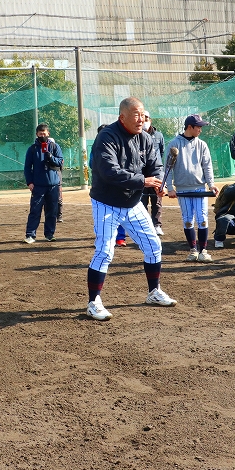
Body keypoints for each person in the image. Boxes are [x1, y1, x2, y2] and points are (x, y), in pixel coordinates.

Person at [86, 97, 175, 321]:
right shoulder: (106, 137)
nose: (141, 119)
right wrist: (143, 182)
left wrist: (158, 184)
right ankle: (93, 302)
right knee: (105, 251)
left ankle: (154, 292)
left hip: (132, 203)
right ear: (122, 117)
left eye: (143, 114)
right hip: (106, 203)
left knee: (154, 246)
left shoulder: (146, 138)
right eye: (135, 114)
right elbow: (109, 171)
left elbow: (155, 166)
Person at [165, 114, 219, 261]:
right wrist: (169, 187)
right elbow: (168, 168)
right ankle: (193, 250)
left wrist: (211, 184)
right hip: (182, 189)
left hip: (200, 188)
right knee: (188, 220)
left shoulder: (202, 145)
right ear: (190, 127)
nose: (200, 130)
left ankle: (204, 251)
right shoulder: (174, 144)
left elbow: (207, 166)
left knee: (202, 219)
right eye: (198, 127)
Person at [23, 124, 64, 243]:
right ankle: (30, 235)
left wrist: (51, 157)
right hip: (38, 186)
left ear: (48, 134)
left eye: (44, 134)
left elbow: (60, 161)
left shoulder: (55, 147)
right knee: (35, 210)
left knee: (52, 211)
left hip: (53, 185)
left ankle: (49, 234)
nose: (42, 136)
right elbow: (27, 167)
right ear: (37, 134)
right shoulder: (32, 149)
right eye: (40, 134)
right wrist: (29, 182)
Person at [142, 111, 166, 235]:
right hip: (141, 175)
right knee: (142, 201)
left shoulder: (158, 135)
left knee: (157, 200)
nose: (144, 120)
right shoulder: (137, 135)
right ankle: (145, 225)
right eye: (142, 118)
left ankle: (157, 225)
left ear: (150, 119)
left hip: (155, 173)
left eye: (146, 118)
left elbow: (161, 153)